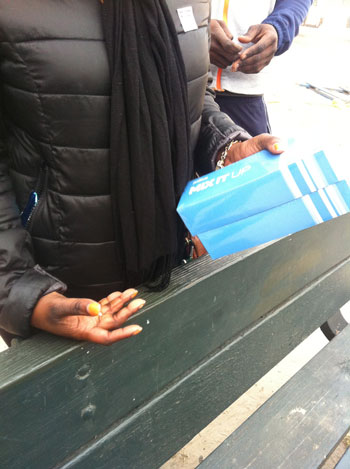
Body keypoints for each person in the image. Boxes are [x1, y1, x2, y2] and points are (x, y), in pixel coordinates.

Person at [0, 0, 283, 347]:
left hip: (175, 266)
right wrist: (24, 293)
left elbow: (190, 95)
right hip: (64, 293)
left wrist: (226, 147)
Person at [210, 0, 312, 136]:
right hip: (183, 85)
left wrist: (278, 27)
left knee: (251, 155)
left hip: (245, 96)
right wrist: (193, 29)